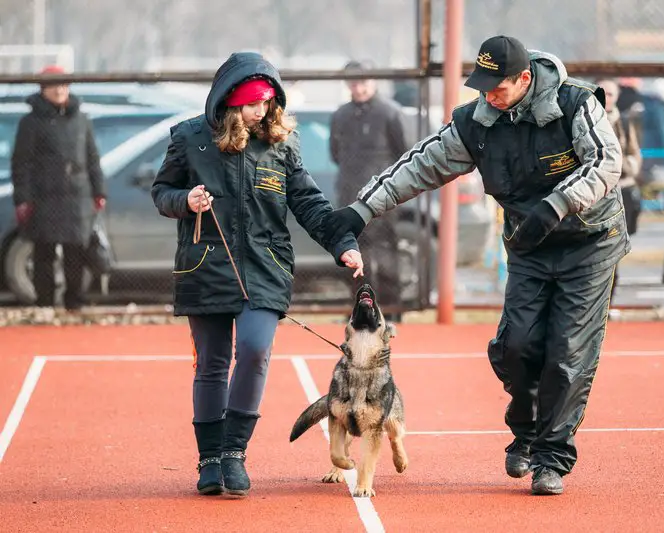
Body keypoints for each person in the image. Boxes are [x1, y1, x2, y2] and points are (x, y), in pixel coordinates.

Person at [324, 36, 627, 495]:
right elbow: (420, 165)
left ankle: (551, 458)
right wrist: (362, 209)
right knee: (517, 347)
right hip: (529, 245)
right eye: (481, 87)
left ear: (524, 79)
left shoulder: (575, 104)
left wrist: (556, 204)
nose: (488, 96)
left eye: (496, 87)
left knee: (567, 354)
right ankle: (524, 430)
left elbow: (607, 163)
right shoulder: (477, 122)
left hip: (590, 242)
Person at [151, 51, 364, 497]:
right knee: (211, 364)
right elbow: (161, 191)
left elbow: (308, 202)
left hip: (266, 268)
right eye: (252, 105)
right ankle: (209, 460)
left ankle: (234, 452)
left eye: (267, 103)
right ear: (230, 101)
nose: (261, 112)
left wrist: (342, 244)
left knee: (253, 349)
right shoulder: (190, 138)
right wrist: (184, 200)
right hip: (204, 266)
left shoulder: (281, 143)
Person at [11, 64, 106, 311]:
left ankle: (73, 302)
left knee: (75, 253)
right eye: (55, 85)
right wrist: (23, 198)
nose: (60, 89)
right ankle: (45, 304)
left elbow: (92, 158)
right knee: (44, 254)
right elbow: (21, 164)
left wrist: (99, 191)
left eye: (64, 84)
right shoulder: (30, 123)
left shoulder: (81, 119)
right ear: (43, 89)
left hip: (77, 197)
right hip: (44, 198)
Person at [330, 59, 409, 319]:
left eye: (363, 81)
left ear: (373, 81)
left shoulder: (390, 112)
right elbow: (335, 153)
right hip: (349, 197)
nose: (358, 87)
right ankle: (361, 311)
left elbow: (404, 155)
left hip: (383, 198)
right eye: (353, 82)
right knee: (353, 255)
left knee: (386, 252)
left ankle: (391, 310)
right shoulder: (340, 115)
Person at [596, 78, 643, 304]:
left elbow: (635, 155)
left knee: (613, 251)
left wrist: (620, 167)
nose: (607, 97)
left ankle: (608, 302)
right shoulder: (584, 119)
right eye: (603, 92)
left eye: (611, 93)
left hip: (621, 193)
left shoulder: (625, 122)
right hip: (593, 195)